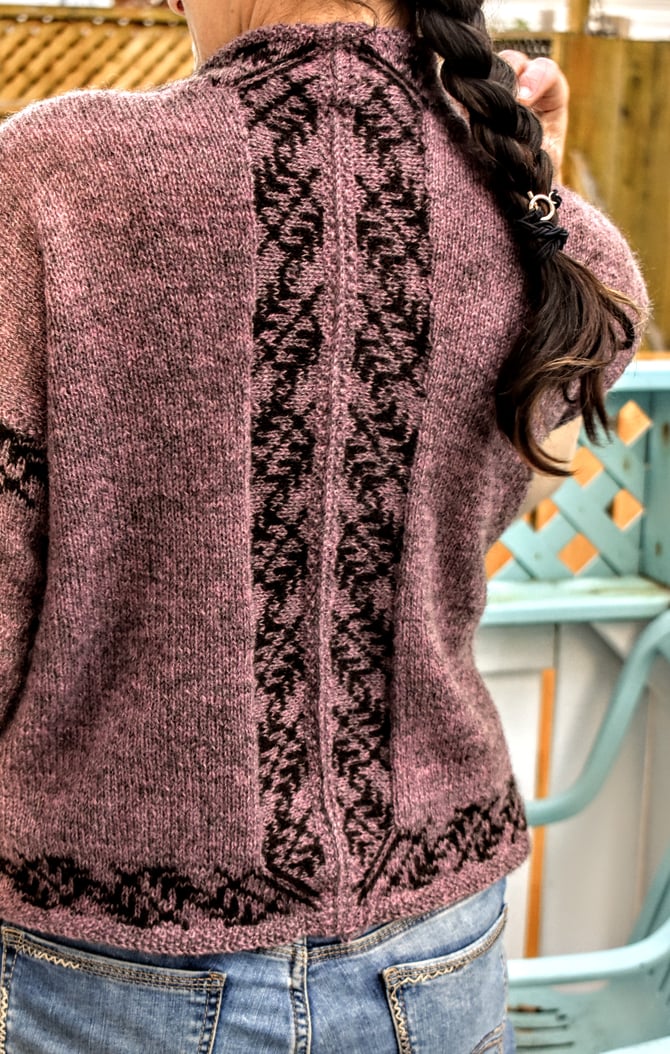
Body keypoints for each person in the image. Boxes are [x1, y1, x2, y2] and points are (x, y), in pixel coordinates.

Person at [0, 0, 646, 1050]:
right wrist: (531, 205)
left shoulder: (46, 182)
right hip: (438, 940)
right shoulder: (550, 230)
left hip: (114, 963)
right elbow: (472, 507)